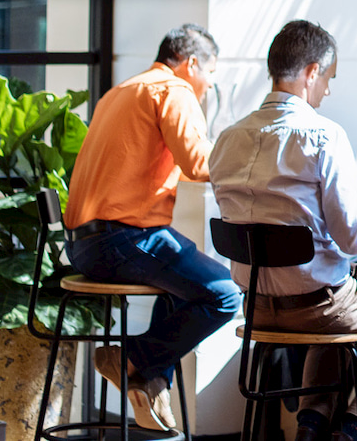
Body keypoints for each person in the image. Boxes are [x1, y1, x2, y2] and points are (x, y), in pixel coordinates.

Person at [212, 21, 357, 441]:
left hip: (255, 306)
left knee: (339, 286)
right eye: (328, 79)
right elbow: (353, 237)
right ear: (312, 72)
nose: (327, 91)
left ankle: (312, 424)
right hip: (318, 306)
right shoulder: (323, 136)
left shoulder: (226, 139)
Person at [65, 24, 238, 434]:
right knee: (225, 294)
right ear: (192, 63)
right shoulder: (174, 90)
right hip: (121, 239)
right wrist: (247, 161)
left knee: (186, 277)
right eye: (210, 75)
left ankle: (152, 381)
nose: (208, 85)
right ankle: (132, 359)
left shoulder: (122, 91)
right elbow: (198, 165)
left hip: (83, 244)